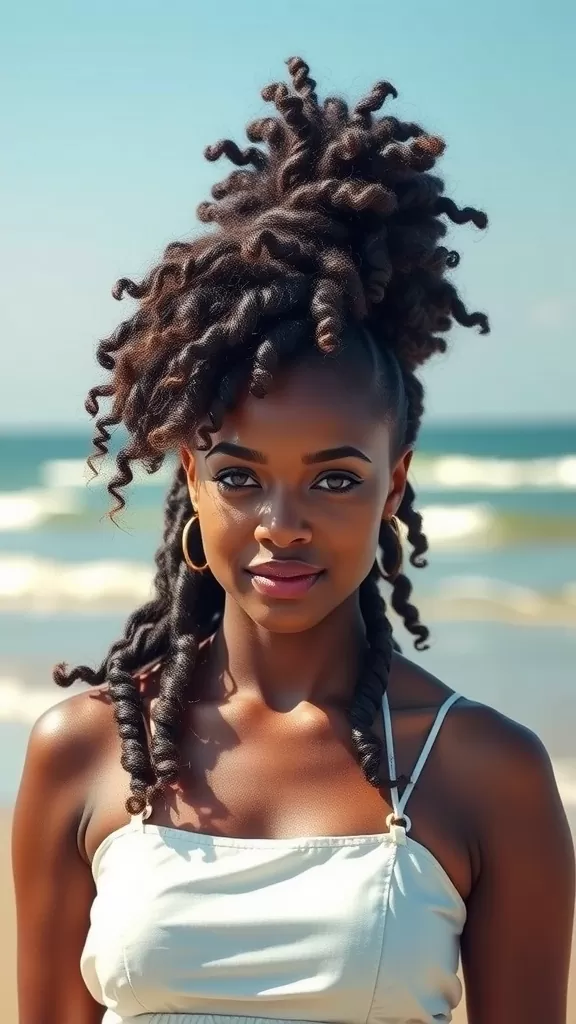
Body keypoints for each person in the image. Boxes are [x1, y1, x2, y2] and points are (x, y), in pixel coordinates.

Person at [13, 57, 574, 1024]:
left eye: (335, 479)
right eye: (238, 476)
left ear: (394, 482)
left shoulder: (487, 771)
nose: (281, 524)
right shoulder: (85, 752)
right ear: (190, 477)